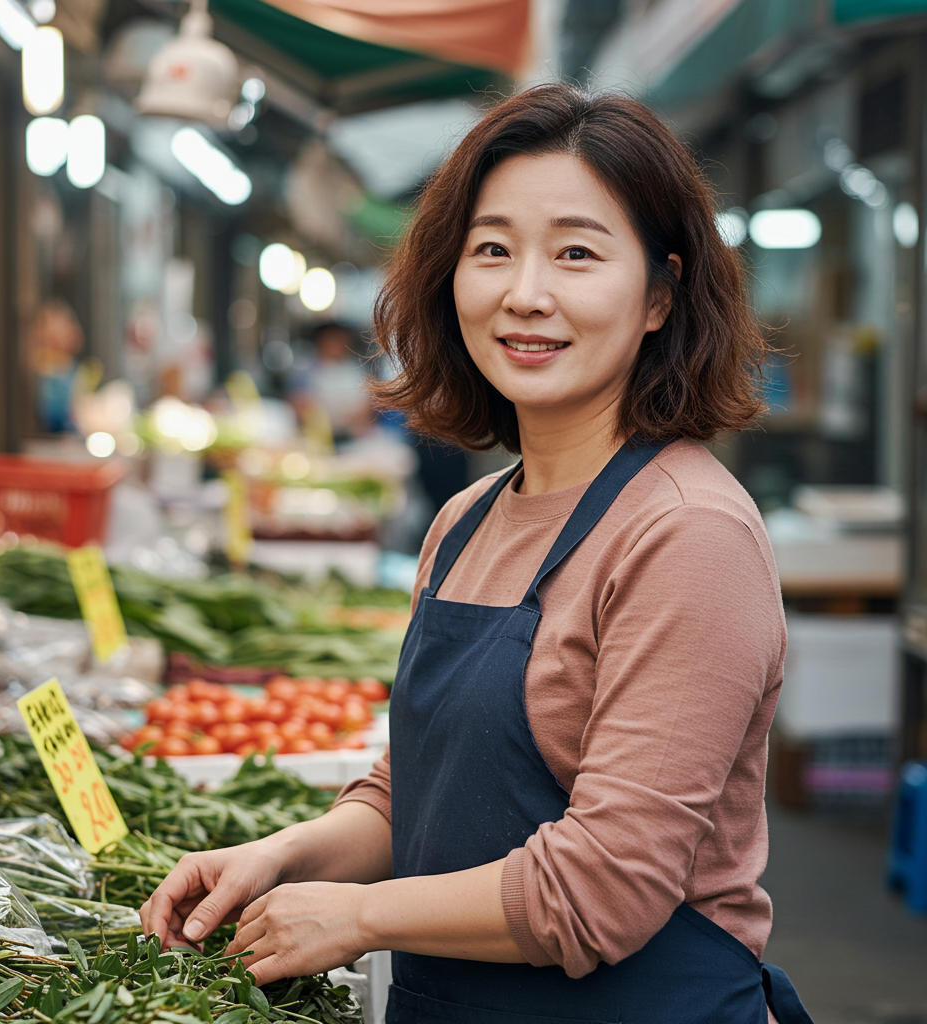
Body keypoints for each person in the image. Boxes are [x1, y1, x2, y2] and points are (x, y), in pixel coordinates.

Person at [140, 86, 813, 1024]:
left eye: (577, 253)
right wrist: (283, 856)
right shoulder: (464, 521)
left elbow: (602, 888)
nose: (524, 293)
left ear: (660, 296)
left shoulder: (689, 533)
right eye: (492, 249)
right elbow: (411, 796)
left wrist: (356, 918)